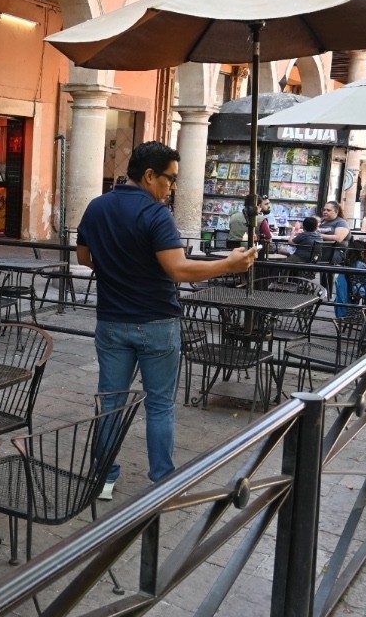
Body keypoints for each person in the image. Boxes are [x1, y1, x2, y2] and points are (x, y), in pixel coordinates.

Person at [75, 141, 256, 500]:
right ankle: (162, 482)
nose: (171, 188)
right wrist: (229, 265)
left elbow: (83, 257)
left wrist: (116, 272)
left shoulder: (97, 207)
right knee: (159, 404)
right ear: (148, 176)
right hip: (156, 323)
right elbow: (177, 269)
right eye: (169, 180)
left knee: (110, 402)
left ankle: (104, 478)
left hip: (111, 321)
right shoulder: (157, 215)